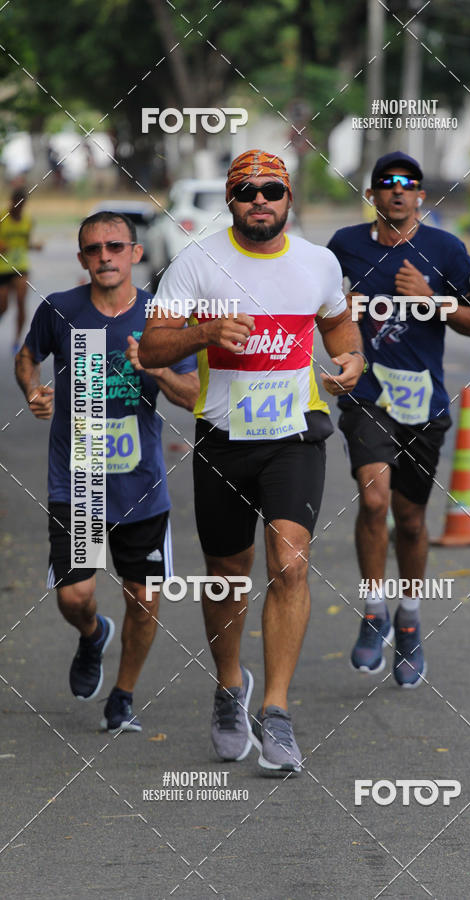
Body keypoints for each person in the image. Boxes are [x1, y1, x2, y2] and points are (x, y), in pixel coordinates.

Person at [138, 149, 364, 773]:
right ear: (231, 202)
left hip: (296, 436)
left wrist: (351, 362)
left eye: (271, 190)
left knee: (289, 564)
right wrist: (204, 334)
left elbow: (340, 329)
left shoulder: (318, 263)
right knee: (226, 573)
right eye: (246, 191)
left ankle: (279, 711)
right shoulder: (198, 262)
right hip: (222, 438)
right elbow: (154, 344)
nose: (259, 200)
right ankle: (229, 685)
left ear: (289, 198)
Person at [15, 212, 199, 733]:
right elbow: (27, 357)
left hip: (141, 489)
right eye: (93, 249)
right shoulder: (60, 311)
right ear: (81, 260)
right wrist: (31, 388)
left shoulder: (160, 319)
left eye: (115, 246)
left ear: (135, 254)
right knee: (75, 597)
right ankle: (93, 634)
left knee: (143, 600)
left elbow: (192, 398)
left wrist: (158, 367)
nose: (104, 256)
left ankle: (123, 694)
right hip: (78, 485)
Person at [327, 151, 470, 687]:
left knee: (413, 519)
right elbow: (320, 309)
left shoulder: (446, 250)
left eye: (408, 184)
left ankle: (409, 618)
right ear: (372, 195)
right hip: (367, 397)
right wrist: (339, 315)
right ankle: (373, 609)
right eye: (386, 184)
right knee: (374, 499)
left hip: (423, 403)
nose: (397, 191)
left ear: (421, 195)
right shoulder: (344, 247)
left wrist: (434, 299)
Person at [0, 188, 43, 353]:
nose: (19, 207)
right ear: (11, 201)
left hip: (21, 266)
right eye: (16, 203)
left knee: (20, 299)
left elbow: (25, 243)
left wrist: (34, 246)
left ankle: (17, 340)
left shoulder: (28, 220)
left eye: (22, 204)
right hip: (2, 267)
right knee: (3, 304)